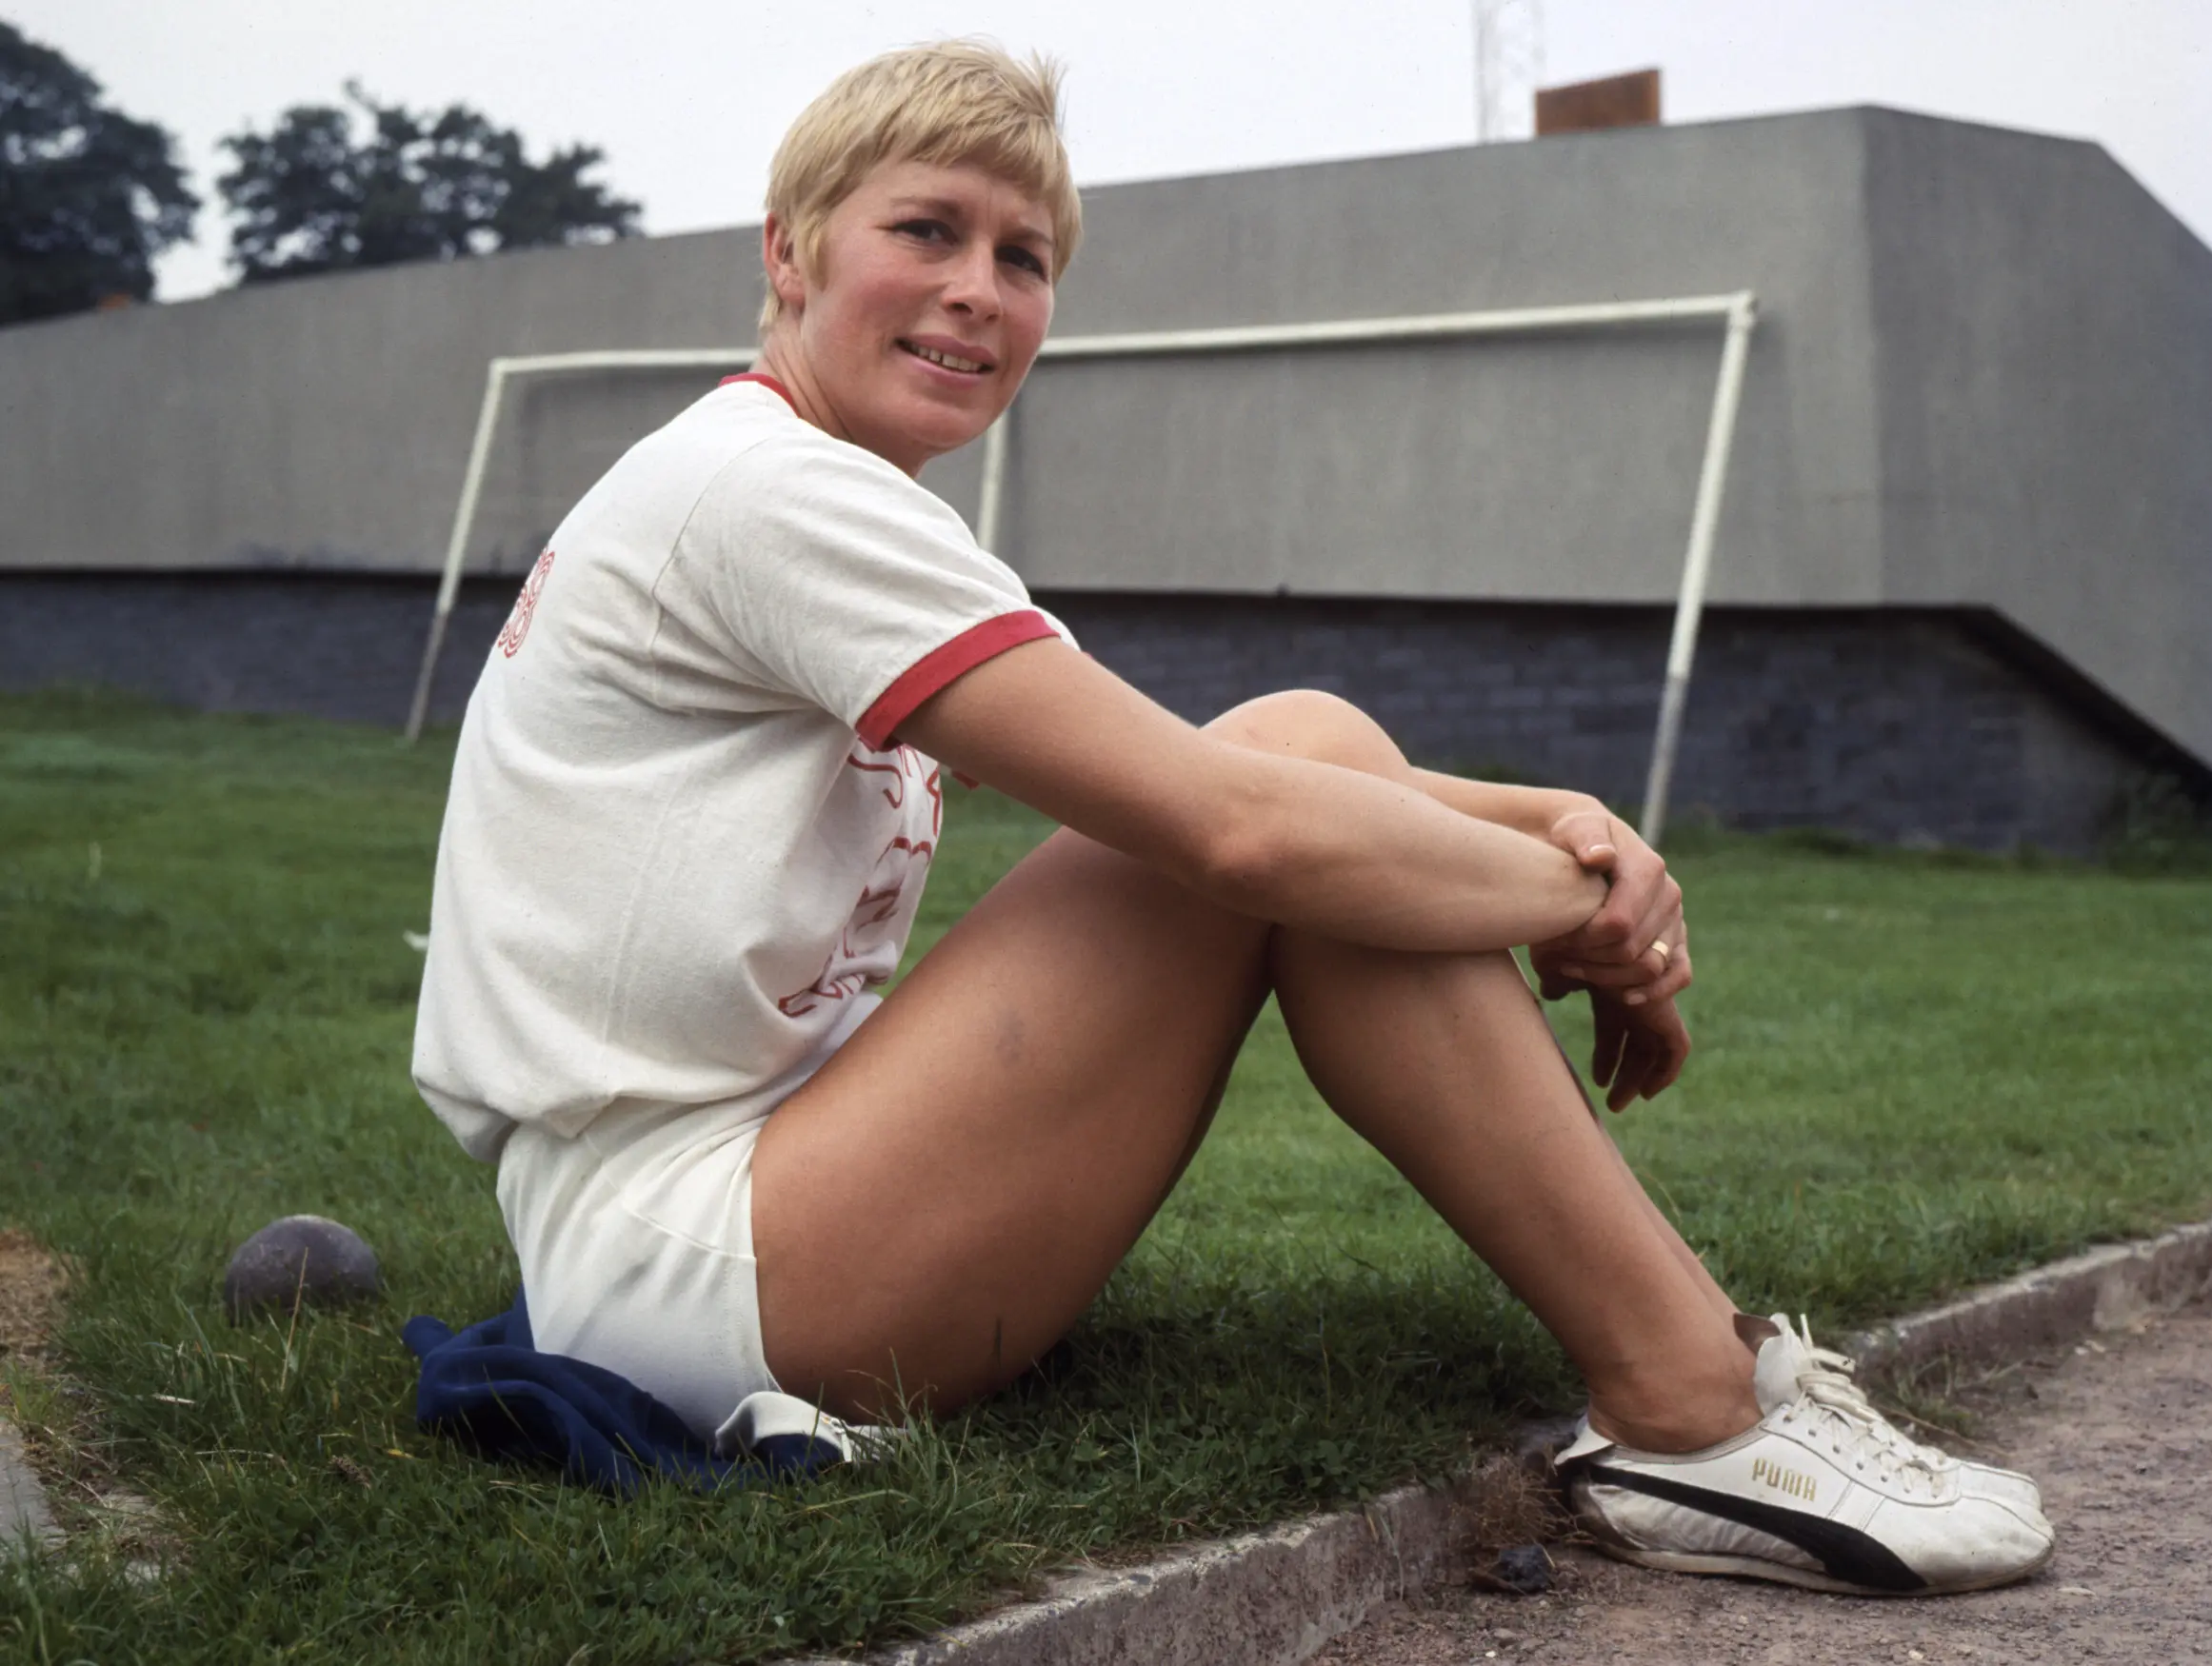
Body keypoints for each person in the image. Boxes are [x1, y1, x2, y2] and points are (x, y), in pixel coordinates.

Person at [412, 41, 2053, 1597]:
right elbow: (1239, 831)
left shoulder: (784, 479)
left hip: (691, 1232)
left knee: (1309, 753)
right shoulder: (776, 495)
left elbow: (1198, 771)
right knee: (1286, 807)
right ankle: (1701, 1415)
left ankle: (1701, 1385)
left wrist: (1561, 826)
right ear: (790, 250)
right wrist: (1572, 908)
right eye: (926, 230)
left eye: (1026, 255)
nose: (980, 289)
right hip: (706, 1274)